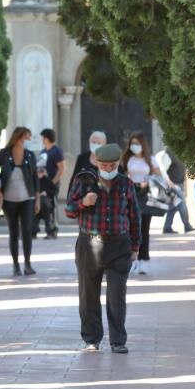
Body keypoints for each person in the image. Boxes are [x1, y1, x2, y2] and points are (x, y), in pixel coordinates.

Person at [65, 143, 140, 354]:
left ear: (119, 163)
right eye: (104, 165)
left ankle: (118, 340)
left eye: (113, 165)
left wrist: (135, 247)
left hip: (119, 244)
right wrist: (83, 203)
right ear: (97, 163)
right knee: (88, 294)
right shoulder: (84, 181)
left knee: (117, 295)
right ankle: (91, 338)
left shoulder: (126, 184)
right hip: (89, 243)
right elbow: (69, 210)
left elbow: (135, 217)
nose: (108, 169)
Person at [0, 127, 40, 275]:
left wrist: (37, 199)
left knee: (27, 230)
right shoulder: (5, 154)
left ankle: (27, 264)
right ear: (19, 138)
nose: (29, 141)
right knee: (14, 232)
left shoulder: (30, 155)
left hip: (27, 199)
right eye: (27, 137)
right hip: (9, 200)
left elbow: (35, 178)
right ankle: (15, 265)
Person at [121, 131, 168, 276]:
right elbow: (121, 174)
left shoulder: (150, 159)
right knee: (130, 229)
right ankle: (131, 260)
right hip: (130, 194)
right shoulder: (127, 158)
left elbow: (159, 175)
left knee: (144, 230)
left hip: (145, 195)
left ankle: (143, 261)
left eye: (137, 143)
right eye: (132, 143)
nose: (134, 146)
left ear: (143, 144)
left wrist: (148, 180)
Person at [156, 148, 194, 234]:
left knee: (172, 207)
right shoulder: (169, 153)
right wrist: (168, 182)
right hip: (173, 185)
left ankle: (167, 227)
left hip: (179, 184)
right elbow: (162, 169)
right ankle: (187, 226)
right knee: (182, 204)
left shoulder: (181, 153)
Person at [38, 128, 65, 238]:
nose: (42, 140)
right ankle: (40, 228)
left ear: (47, 138)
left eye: (43, 137)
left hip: (52, 184)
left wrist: (53, 182)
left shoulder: (56, 151)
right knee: (43, 205)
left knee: (52, 206)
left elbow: (62, 168)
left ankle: (53, 231)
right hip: (42, 183)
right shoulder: (43, 152)